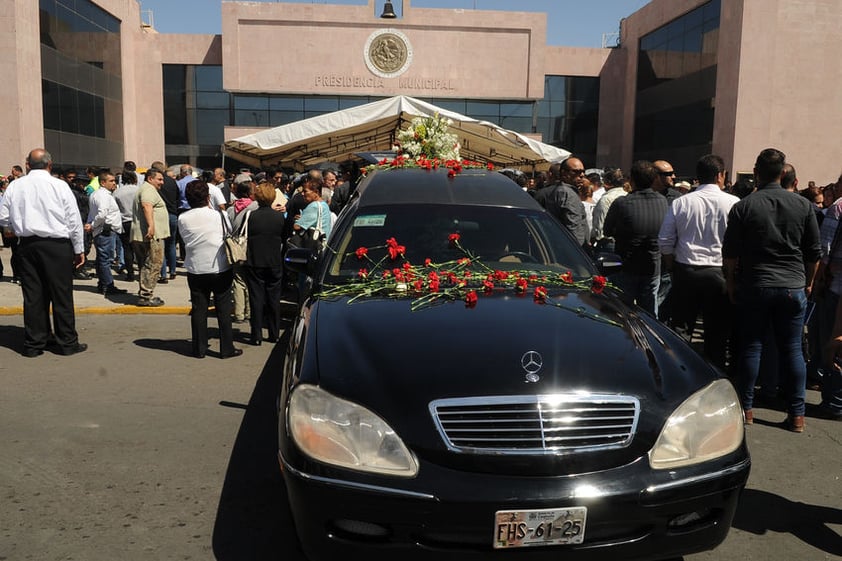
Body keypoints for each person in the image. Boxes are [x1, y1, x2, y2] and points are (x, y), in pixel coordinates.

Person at [723, 148, 821, 433]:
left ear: (756, 172)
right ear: (783, 173)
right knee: (792, 348)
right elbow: (813, 252)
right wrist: (808, 281)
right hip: (791, 285)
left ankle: (747, 409)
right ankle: (797, 414)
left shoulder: (744, 206)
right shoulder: (803, 206)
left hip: (756, 284)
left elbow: (730, 253)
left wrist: (730, 282)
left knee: (752, 345)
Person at [0, 148, 87, 357]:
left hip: (27, 245)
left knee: (33, 295)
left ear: (28, 165)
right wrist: (79, 249)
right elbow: (73, 220)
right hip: (57, 245)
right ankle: (67, 342)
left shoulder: (15, 186)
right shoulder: (59, 186)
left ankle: (34, 344)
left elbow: (3, 217)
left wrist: (16, 226)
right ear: (50, 164)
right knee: (61, 295)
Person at [658, 154, 739, 369]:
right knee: (717, 331)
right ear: (720, 176)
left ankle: (679, 371)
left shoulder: (681, 202)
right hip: (719, 273)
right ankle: (714, 375)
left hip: (687, 270)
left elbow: (665, 240)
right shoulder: (734, 203)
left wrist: (671, 267)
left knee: (681, 329)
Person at [177, 180, 242, 359]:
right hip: (219, 266)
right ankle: (226, 348)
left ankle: (199, 348)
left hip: (196, 268)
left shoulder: (183, 218)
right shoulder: (219, 215)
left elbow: (184, 239)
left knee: (199, 309)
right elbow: (228, 232)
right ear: (208, 197)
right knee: (223, 308)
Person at [603, 160, 668, 316]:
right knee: (649, 313)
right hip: (653, 266)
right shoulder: (663, 202)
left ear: (631, 180)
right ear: (654, 180)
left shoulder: (621, 203)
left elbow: (607, 231)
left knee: (623, 312)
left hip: (626, 266)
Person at [244, 181, 286, 346]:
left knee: (256, 298)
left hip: (254, 261)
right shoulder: (279, 217)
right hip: (274, 261)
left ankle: (256, 335)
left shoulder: (251, 216)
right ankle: (274, 333)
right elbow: (285, 236)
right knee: (273, 298)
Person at [131, 167, 169, 307]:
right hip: (151, 235)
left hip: (143, 235)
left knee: (146, 265)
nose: (162, 182)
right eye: (159, 179)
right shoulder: (148, 190)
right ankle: (146, 296)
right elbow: (147, 206)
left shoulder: (146, 189)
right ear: (150, 178)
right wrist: (151, 226)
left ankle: (145, 293)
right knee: (153, 264)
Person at [531, 158, 589, 249]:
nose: (581, 175)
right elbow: (574, 227)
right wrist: (579, 253)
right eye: (576, 172)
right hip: (569, 251)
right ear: (564, 173)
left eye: (583, 171)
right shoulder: (568, 194)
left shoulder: (561, 191)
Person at [86, 170, 127, 296]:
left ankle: (103, 284)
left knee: (102, 259)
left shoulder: (100, 194)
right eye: (111, 181)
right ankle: (108, 286)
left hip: (104, 230)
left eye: (114, 180)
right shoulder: (102, 195)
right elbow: (102, 214)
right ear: (103, 182)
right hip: (105, 231)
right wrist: (93, 225)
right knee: (106, 259)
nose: (114, 183)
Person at [151, 160, 180, 284]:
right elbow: (178, 196)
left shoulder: (154, 183)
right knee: (172, 244)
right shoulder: (172, 181)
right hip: (173, 214)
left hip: (160, 215)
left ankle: (163, 274)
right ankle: (172, 270)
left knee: (161, 244)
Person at [113, 168, 140, 281]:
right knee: (139, 248)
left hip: (124, 221)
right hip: (137, 221)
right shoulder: (139, 190)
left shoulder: (117, 192)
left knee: (127, 248)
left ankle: (130, 274)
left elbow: (114, 208)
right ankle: (142, 271)